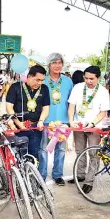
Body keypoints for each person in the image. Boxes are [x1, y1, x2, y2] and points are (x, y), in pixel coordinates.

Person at [67, 66, 109, 193]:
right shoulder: (78, 87)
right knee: (80, 151)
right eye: (86, 78)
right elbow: (71, 106)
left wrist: (92, 123)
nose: (88, 81)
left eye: (91, 79)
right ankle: (80, 175)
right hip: (78, 125)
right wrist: (71, 120)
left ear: (98, 78)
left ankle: (89, 180)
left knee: (93, 153)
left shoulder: (103, 91)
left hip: (94, 127)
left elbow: (103, 113)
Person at [39, 53, 74, 185]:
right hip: (46, 119)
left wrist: (72, 119)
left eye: (60, 63)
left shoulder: (67, 81)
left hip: (63, 120)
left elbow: (72, 102)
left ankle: (58, 174)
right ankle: (41, 174)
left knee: (61, 149)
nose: (57, 65)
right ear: (49, 65)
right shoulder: (43, 80)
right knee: (43, 149)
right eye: (54, 63)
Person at [6, 65, 50, 165]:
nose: (39, 83)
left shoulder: (44, 89)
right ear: (29, 76)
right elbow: (9, 107)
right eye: (37, 80)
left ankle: (32, 177)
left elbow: (46, 107)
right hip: (19, 127)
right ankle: (20, 177)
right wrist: (18, 123)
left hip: (35, 128)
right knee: (19, 154)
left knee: (34, 154)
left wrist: (41, 121)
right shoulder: (16, 87)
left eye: (42, 80)